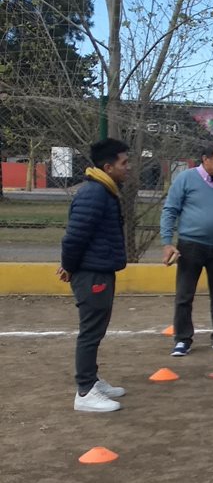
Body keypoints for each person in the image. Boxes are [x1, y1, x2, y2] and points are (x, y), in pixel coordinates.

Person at [58, 138, 130, 413]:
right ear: (108, 166)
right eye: (124, 163)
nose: (128, 167)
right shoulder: (95, 194)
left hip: (99, 270)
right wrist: (69, 266)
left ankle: (92, 380)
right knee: (90, 332)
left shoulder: (105, 191)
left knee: (96, 329)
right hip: (92, 274)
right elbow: (74, 238)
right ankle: (85, 392)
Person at [160, 143, 213, 356]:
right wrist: (167, 241)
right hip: (191, 246)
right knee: (184, 295)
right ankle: (182, 340)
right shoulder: (185, 179)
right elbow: (170, 210)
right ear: (205, 159)